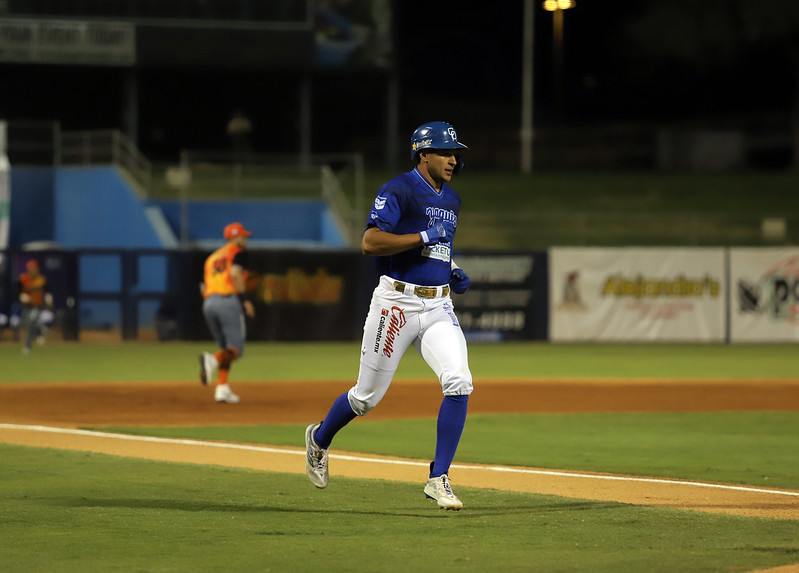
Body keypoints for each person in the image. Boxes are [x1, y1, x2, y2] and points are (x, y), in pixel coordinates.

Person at [304, 121, 474, 510]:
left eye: (455, 153)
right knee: (365, 399)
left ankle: (439, 477)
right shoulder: (398, 189)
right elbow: (370, 242)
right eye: (446, 152)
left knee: (459, 381)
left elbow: (437, 249)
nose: (453, 159)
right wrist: (422, 238)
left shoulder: (452, 199)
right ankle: (319, 439)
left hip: (438, 305)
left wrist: (451, 270)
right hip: (396, 303)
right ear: (423, 153)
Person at [198, 222, 256, 404]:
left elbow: (203, 287)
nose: (245, 239)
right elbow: (236, 274)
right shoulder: (237, 253)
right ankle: (212, 360)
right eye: (242, 236)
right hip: (227, 300)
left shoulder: (212, 258)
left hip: (208, 303)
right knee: (236, 349)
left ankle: (222, 389)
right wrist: (245, 299)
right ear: (233, 238)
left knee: (227, 349)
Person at [18, 259, 52, 355]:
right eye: (31, 268)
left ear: (37, 269)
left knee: (31, 322)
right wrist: (21, 296)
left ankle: (27, 346)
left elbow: (47, 290)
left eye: (34, 268)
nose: (33, 270)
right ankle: (40, 332)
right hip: (26, 306)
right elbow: (18, 290)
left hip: (37, 305)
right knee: (28, 323)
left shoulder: (41, 279)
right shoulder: (23, 278)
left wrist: (49, 299)